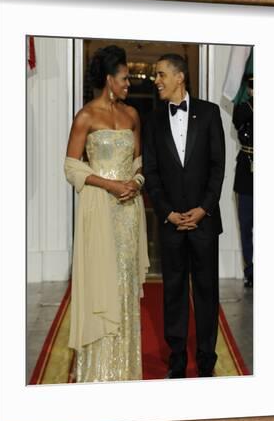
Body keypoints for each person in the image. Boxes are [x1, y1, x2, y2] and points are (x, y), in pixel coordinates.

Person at [64, 45, 149, 383]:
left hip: (129, 213)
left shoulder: (132, 116)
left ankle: (125, 369)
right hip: (99, 210)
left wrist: (136, 182)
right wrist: (110, 185)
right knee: (102, 281)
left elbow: (140, 162)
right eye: (125, 78)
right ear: (109, 79)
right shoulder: (86, 116)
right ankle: (97, 372)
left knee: (124, 281)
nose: (130, 84)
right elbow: (71, 167)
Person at [143, 54, 225, 378]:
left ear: (179, 77)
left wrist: (203, 209)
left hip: (204, 223)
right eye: (155, 75)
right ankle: (176, 360)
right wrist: (168, 214)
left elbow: (218, 167)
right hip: (171, 225)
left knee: (206, 294)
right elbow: (151, 173)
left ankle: (207, 362)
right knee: (174, 294)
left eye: (161, 74)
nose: (157, 80)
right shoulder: (152, 121)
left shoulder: (209, 113)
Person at [233, 73, 253, 288]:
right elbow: (238, 119)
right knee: (246, 224)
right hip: (247, 170)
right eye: (252, 84)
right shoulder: (244, 107)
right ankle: (251, 270)